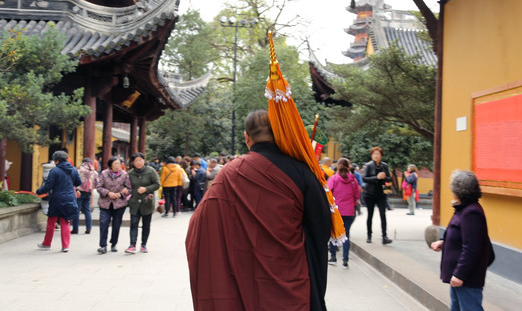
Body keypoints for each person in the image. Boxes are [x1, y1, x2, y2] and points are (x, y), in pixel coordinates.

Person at [186, 110, 331, 311]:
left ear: (247, 137)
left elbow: (199, 225)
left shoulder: (231, 172)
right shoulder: (302, 172)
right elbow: (322, 226)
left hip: (244, 274)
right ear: (279, 134)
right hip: (291, 282)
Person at [431, 170, 494, 311]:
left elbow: (471, 248)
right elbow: (459, 234)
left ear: (458, 190)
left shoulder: (471, 212)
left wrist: (459, 274)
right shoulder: (464, 208)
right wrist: (444, 241)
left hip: (466, 278)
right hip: (460, 277)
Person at [36, 151, 81, 252]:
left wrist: (39, 191)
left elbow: (48, 186)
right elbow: (78, 182)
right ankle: (65, 246)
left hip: (57, 199)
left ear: (56, 160)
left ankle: (47, 244)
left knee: (52, 221)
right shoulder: (73, 169)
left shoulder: (55, 170)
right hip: (70, 198)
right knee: (66, 221)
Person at [327, 158, 360, 269]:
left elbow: (328, 193)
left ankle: (333, 257)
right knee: (346, 235)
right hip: (349, 211)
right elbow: (357, 194)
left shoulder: (334, 179)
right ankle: (345, 261)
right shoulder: (353, 180)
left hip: (336, 211)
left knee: (334, 233)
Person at [125, 153, 160, 254]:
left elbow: (157, 184)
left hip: (147, 202)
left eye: (140, 160)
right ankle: (132, 245)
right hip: (134, 202)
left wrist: (146, 189)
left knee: (146, 225)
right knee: (134, 223)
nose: (139, 162)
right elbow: (127, 186)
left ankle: (143, 244)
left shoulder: (151, 171)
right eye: (136, 161)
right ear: (133, 162)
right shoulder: (130, 173)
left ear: (144, 160)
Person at [96, 157, 131, 254]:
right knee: (103, 223)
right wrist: (108, 193)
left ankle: (114, 243)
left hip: (119, 204)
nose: (117, 166)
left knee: (116, 225)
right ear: (111, 164)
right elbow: (99, 187)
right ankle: (103, 245)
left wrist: (121, 194)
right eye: (115, 163)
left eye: (119, 164)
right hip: (105, 203)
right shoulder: (104, 173)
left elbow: (129, 188)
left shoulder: (124, 175)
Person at [363, 146, 393, 245]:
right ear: (371, 155)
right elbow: (365, 179)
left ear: (381, 156)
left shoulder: (384, 166)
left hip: (381, 194)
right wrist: (376, 177)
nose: (376, 156)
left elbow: (389, 179)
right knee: (370, 215)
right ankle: (369, 235)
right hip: (370, 194)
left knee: (383, 215)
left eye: (377, 154)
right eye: (374, 154)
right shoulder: (368, 165)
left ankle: (384, 236)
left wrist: (384, 177)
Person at [72, 158, 99, 234]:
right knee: (87, 210)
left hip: (79, 191)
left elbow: (74, 180)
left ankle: (75, 229)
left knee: (77, 210)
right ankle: (88, 228)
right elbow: (97, 183)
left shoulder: (79, 169)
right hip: (89, 192)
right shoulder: (94, 172)